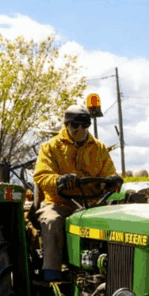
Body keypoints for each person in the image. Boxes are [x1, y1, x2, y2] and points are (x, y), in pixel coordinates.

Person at [33, 104, 121, 281]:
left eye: (84, 125)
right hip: (59, 203)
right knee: (52, 221)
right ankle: (52, 275)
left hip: (92, 204)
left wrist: (114, 180)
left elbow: (109, 173)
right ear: (66, 125)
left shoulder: (99, 148)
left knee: (117, 221)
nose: (80, 129)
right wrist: (58, 180)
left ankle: (115, 270)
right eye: (75, 125)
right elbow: (41, 176)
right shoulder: (50, 148)